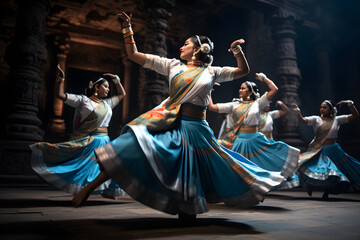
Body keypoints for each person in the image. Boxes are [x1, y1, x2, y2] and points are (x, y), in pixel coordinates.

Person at [72, 12, 286, 222]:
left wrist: (236, 50)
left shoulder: (211, 71)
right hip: (172, 122)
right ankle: (88, 188)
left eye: (186, 44)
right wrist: (127, 29)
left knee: (211, 169)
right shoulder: (173, 65)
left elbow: (242, 71)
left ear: (198, 49)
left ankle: (192, 207)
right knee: (131, 145)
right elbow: (134, 56)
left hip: (198, 129)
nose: (181, 46)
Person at [30, 64, 126, 199]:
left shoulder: (107, 103)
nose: (108, 89)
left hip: (106, 140)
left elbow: (122, 94)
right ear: (96, 87)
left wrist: (116, 80)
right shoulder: (83, 101)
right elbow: (59, 95)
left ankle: (107, 190)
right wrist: (61, 80)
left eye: (109, 88)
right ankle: (85, 191)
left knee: (112, 166)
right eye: (105, 86)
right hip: (92, 140)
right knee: (87, 168)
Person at [208, 75, 299, 180]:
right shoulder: (234, 105)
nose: (240, 90)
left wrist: (263, 78)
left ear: (250, 91)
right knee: (238, 169)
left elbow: (274, 89)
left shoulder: (258, 103)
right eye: (240, 88)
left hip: (255, 140)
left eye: (243, 88)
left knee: (259, 165)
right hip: (239, 141)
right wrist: (209, 89)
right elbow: (212, 107)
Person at [292, 100, 360, 199]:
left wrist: (350, 104)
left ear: (331, 109)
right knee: (319, 170)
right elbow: (303, 120)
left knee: (333, 172)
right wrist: (298, 112)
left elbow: (355, 115)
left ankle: (327, 191)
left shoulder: (337, 120)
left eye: (325, 107)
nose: (322, 109)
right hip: (320, 149)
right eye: (321, 107)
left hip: (333, 149)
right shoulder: (316, 119)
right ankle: (310, 185)